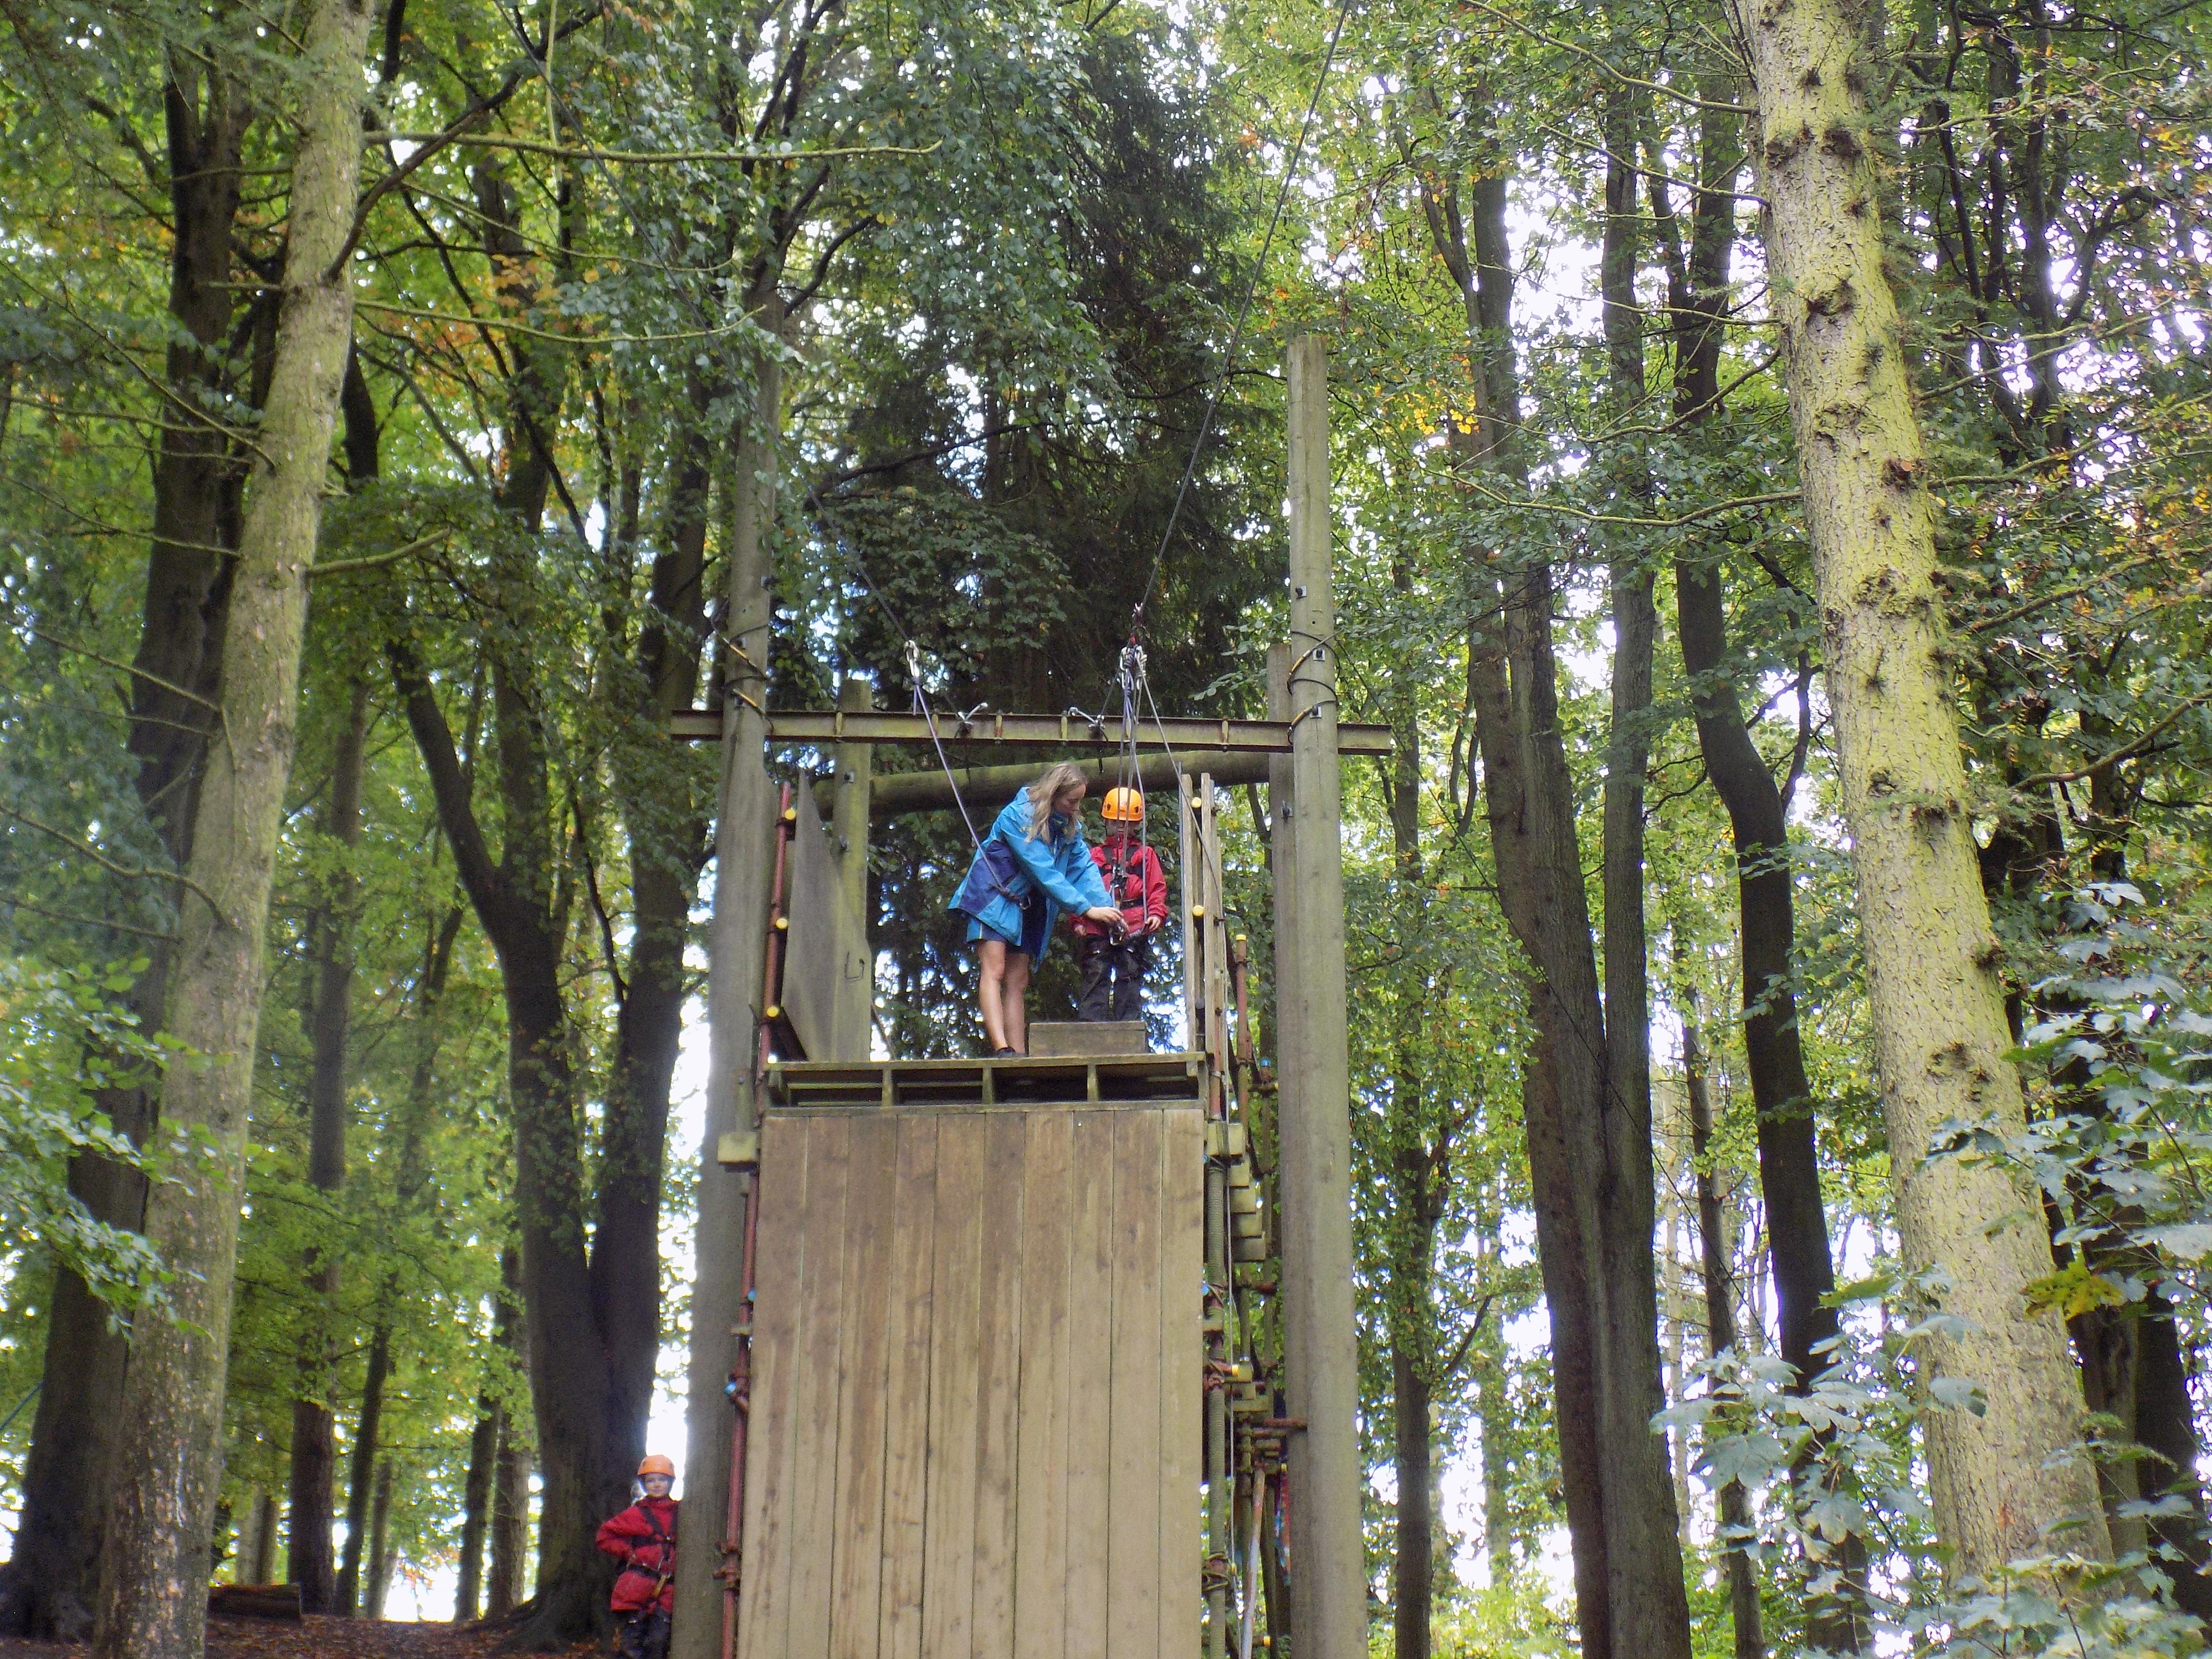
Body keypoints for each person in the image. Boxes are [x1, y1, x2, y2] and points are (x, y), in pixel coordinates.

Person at [950, 761, 1122, 1056]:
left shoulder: (1068, 828)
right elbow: (1043, 870)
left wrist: (1107, 909)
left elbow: (1083, 868)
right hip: (993, 896)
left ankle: (1018, 1053)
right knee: (995, 968)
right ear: (1055, 794)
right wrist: (1085, 909)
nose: (1076, 808)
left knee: (1018, 980)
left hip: (1028, 904)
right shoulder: (1018, 816)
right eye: (1072, 801)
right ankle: (1001, 1047)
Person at [1072, 786, 1167, 1024]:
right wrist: (1078, 921)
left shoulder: (1145, 855)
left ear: (1136, 825)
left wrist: (1156, 913)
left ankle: (1128, 1025)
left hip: (1133, 924)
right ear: (1107, 822)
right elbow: (1079, 890)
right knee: (1096, 973)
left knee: (1130, 974)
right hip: (1099, 923)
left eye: (1128, 823)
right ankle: (1091, 1025)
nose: (1122, 827)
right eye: (1117, 822)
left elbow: (1156, 888)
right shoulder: (1095, 856)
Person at [596, 1454, 678, 1659]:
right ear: (644, 1484)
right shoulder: (636, 1514)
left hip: (667, 1591)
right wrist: (629, 1553)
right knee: (631, 1646)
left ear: (670, 1482)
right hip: (636, 1588)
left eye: (662, 1480)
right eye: (651, 1481)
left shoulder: (681, 1513)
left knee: (658, 1643)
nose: (657, 1485)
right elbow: (604, 1536)